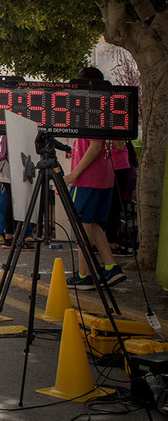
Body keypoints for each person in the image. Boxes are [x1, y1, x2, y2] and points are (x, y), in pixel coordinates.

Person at [64, 67, 126, 290]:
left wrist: (73, 174)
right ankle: (111, 267)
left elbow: (95, 145)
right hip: (105, 176)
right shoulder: (106, 109)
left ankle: (84, 274)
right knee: (93, 224)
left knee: (82, 226)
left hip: (88, 178)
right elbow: (114, 143)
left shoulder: (89, 108)